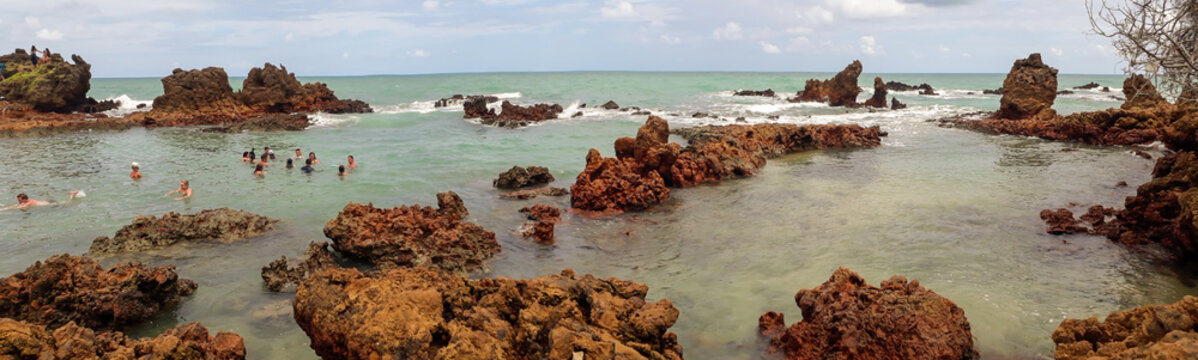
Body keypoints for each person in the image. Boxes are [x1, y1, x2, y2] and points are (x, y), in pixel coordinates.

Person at [2, 191, 82, 210]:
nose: (19, 202)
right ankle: (72, 195)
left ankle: (71, 195)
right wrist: (4, 208)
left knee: (68, 203)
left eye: (20, 200)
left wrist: (9, 209)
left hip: (51, 204)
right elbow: (16, 205)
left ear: (24, 199)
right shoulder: (27, 201)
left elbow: (20, 207)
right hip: (48, 202)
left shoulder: (28, 203)